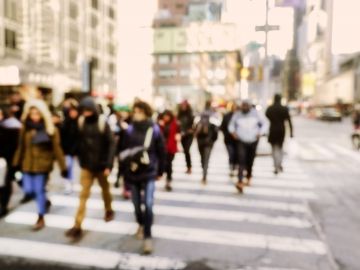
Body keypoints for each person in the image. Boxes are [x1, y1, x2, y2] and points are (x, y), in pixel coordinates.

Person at [65, 96, 115, 239]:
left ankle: (109, 210)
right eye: (84, 110)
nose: (86, 113)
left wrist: (109, 165)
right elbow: (75, 139)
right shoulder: (80, 122)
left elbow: (111, 144)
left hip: (101, 165)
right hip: (86, 165)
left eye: (88, 110)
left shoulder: (102, 123)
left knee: (105, 190)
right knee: (83, 196)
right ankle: (77, 225)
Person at [12, 99, 67, 230]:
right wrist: (15, 163)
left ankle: (41, 217)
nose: (35, 116)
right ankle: (45, 202)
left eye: (37, 113)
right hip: (27, 164)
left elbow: (57, 149)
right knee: (28, 190)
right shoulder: (25, 128)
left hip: (43, 165)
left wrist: (63, 167)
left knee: (39, 190)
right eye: (32, 113)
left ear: (42, 114)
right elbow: (21, 147)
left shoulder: (50, 129)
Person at [120, 101, 165, 254]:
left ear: (146, 112)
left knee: (149, 203)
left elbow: (161, 151)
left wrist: (161, 171)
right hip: (133, 173)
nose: (137, 114)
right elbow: (123, 152)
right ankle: (141, 222)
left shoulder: (154, 129)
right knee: (136, 204)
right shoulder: (129, 130)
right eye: (135, 111)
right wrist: (122, 174)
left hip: (149, 171)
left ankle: (147, 236)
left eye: (140, 111)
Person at [229, 100, 264, 193]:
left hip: (253, 140)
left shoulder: (256, 114)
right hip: (241, 140)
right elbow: (231, 125)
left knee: (250, 160)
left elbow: (264, 124)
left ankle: (248, 176)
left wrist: (260, 133)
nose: (244, 108)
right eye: (243, 106)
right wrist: (233, 133)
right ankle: (240, 181)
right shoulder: (237, 114)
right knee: (241, 160)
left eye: (246, 106)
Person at [0, 106, 22, 218]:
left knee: (6, 183)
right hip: (6, 161)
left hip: (7, 162)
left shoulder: (10, 128)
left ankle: (3, 206)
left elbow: (14, 147)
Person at [265, 94, 293, 174]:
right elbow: (289, 121)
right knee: (280, 148)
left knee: (274, 148)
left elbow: (266, 115)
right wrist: (291, 132)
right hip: (281, 130)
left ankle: (276, 165)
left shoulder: (270, 108)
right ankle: (279, 163)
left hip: (273, 129)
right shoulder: (284, 109)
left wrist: (273, 120)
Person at [195, 101, 220, 184]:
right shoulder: (214, 115)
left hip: (200, 140)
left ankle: (204, 173)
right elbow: (216, 130)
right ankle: (204, 175)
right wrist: (213, 140)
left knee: (202, 158)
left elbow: (194, 127)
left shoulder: (199, 114)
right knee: (206, 158)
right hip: (209, 141)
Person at [60, 99, 79, 194]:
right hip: (67, 150)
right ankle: (68, 183)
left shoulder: (79, 122)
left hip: (75, 150)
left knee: (71, 167)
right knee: (68, 166)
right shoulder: (65, 122)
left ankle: (70, 183)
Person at [158, 110, 179, 191]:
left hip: (171, 147)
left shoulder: (175, 123)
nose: (166, 118)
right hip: (162, 148)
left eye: (167, 116)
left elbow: (178, 133)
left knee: (169, 164)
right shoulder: (160, 124)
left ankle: (168, 180)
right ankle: (166, 178)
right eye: (165, 116)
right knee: (165, 164)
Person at [220, 102, 238, 177]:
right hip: (228, 139)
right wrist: (226, 134)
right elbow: (222, 127)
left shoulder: (239, 116)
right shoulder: (227, 116)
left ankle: (235, 166)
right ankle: (231, 167)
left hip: (238, 139)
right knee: (231, 154)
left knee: (237, 154)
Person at [177, 101, 194, 174]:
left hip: (189, 135)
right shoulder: (179, 115)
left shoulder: (190, 115)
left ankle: (189, 167)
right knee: (185, 151)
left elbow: (192, 126)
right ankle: (188, 166)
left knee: (187, 150)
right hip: (182, 135)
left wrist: (188, 131)